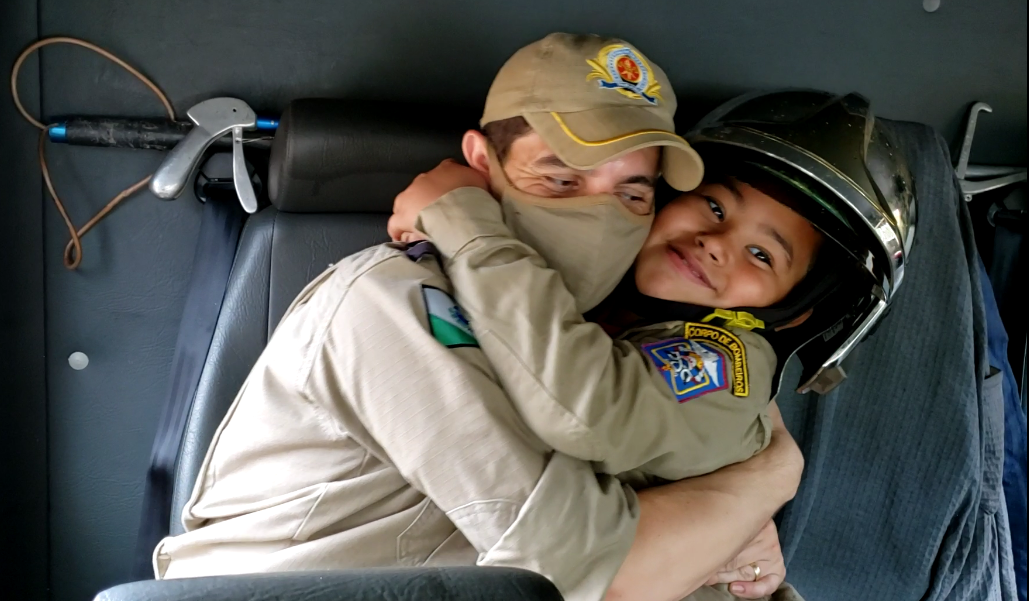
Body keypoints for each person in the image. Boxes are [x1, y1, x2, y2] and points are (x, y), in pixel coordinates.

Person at [154, 33, 804, 601]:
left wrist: (727, 536)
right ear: (480, 163)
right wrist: (768, 477)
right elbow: (590, 573)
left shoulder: (580, 339)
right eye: (560, 180)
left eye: (631, 193)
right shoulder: (395, 302)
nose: (601, 218)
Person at [388, 89, 917, 600]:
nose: (716, 243)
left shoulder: (730, 360)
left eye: (761, 255)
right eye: (713, 207)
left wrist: (465, 222)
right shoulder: (601, 309)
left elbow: (587, 409)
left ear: (795, 310)